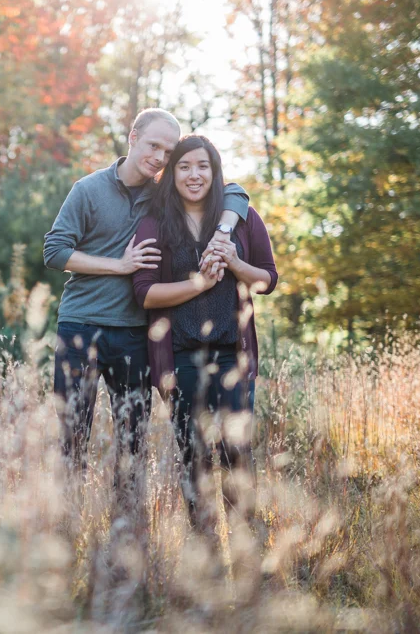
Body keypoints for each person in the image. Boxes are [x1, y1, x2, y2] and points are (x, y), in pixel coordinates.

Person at [43, 110, 250, 529]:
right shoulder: (88, 189)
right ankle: (64, 534)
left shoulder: (163, 195)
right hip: (82, 325)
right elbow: (54, 251)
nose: (159, 157)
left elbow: (235, 192)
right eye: (153, 145)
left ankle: (127, 535)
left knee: (131, 442)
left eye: (167, 151)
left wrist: (225, 231)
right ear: (133, 137)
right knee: (72, 437)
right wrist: (118, 266)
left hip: (136, 334)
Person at [131, 134, 277, 540]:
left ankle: (247, 548)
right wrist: (197, 284)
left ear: (214, 172)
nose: (194, 175)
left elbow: (268, 280)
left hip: (233, 356)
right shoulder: (154, 223)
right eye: (184, 166)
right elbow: (144, 293)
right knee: (193, 458)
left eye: (202, 166)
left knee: (236, 454)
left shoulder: (241, 219)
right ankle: (205, 555)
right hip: (179, 359)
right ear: (171, 173)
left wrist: (235, 262)